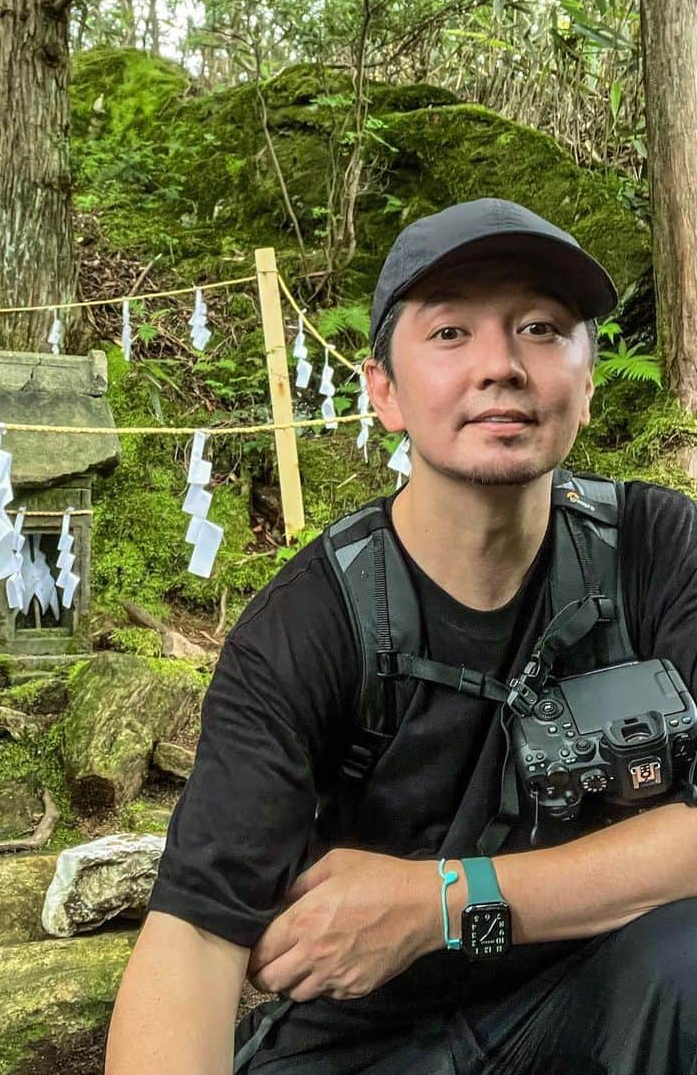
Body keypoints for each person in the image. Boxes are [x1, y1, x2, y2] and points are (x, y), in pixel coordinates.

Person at [104, 199, 697, 1075]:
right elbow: (194, 939)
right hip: (365, 1045)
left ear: (589, 377)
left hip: (602, 1006)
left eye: (540, 328)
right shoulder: (307, 625)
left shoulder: (657, 551)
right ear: (382, 390)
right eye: (451, 332)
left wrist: (440, 902)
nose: (500, 366)